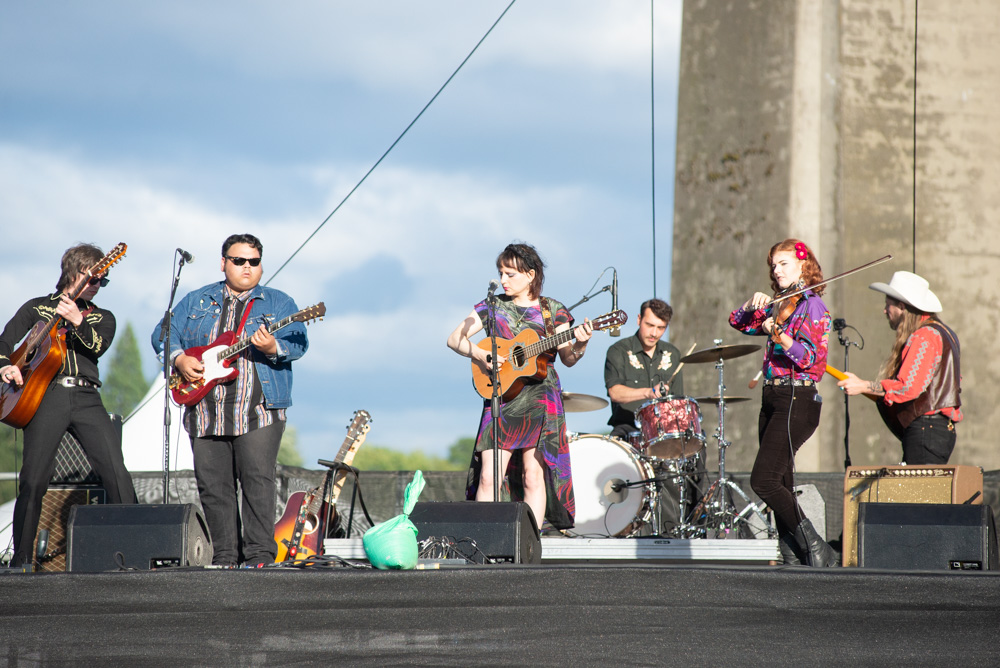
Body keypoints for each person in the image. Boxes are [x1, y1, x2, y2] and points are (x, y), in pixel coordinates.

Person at [152, 233, 309, 567]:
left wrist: (272, 347)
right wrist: (179, 360)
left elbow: (298, 342)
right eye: (239, 261)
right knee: (214, 487)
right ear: (224, 263)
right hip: (206, 409)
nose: (247, 267)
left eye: (254, 261)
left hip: (258, 409)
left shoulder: (279, 302)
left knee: (257, 482)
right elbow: (163, 334)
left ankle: (259, 556)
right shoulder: (196, 301)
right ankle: (225, 556)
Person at [0, 244, 137, 568]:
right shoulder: (36, 308)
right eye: (93, 279)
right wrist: (6, 365)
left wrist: (78, 321)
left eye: (103, 281)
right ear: (75, 274)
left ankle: (133, 553)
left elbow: (97, 347)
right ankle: (21, 560)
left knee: (115, 472)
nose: (97, 286)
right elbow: (5, 341)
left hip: (87, 397)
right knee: (34, 478)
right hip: (44, 394)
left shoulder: (102, 316)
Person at [447, 243, 592, 531]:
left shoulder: (553, 311)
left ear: (530, 274)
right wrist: (481, 354)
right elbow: (454, 338)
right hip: (501, 395)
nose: (503, 280)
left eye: (510, 274)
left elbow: (569, 358)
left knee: (532, 477)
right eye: (501, 273)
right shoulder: (493, 306)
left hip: (541, 399)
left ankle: (530, 543)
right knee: (489, 476)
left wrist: (581, 343)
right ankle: (483, 540)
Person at [729, 239, 837, 567]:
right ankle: (792, 550)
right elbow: (737, 321)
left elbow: (812, 360)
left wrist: (780, 335)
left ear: (804, 266)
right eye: (773, 266)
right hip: (773, 396)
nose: (776, 272)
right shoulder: (780, 303)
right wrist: (751, 304)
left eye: (784, 264)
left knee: (763, 480)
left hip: (797, 396)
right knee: (783, 480)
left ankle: (816, 546)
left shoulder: (812, 306)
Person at [836, 271, 961, 465]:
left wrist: (863, 386)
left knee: (918, 495)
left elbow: (908, 387)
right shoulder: (944, 333)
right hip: (935, 431)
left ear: (901, 307)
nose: (885, 311)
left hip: (926, 431)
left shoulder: (924, 336)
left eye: (888, 305)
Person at [604, 298, 684, 441]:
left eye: (661, 328)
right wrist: (649, 392)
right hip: (628, 429)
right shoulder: (618, 351)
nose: (654, 333)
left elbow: (678, 400)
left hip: (664, 431)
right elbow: (615, 392)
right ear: (639, 319)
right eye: (650, 325)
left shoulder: (673, 353)